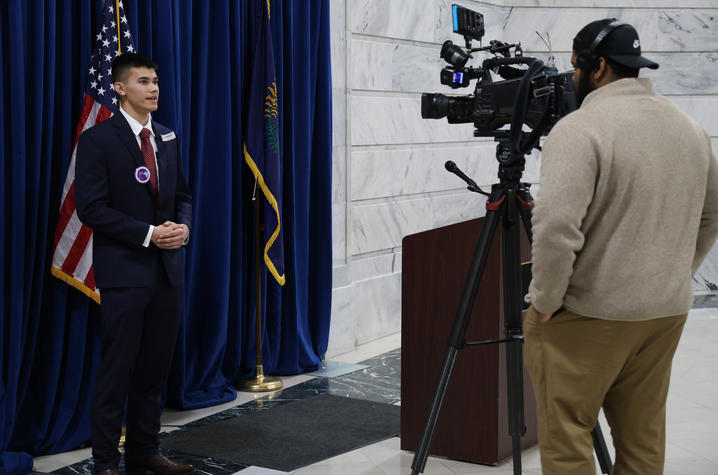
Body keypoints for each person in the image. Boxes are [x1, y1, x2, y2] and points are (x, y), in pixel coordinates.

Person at [524, 18, 718, 474]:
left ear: (598, 68)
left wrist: (545, 303)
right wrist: (674, 272)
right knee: (643, 439)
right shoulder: (690, 128)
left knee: (568, 435)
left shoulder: (580, 129)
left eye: (574, 67)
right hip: (664, 312)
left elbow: (555, 229)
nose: (570, 78)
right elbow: (712, 216)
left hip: (592, 314)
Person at [75, 53, 194, 475]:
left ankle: (145, 451)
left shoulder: (167, 136)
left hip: (167, 272)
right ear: (121, 89)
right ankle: (106, 462)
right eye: (144, 81)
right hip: (125, 273)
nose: (154, 87)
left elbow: (182, 196)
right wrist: (148, 234)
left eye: (156, 80)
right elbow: (91, 208)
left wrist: (181, 227)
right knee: (117, 371)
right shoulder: (98, 140)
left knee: (154, 370)